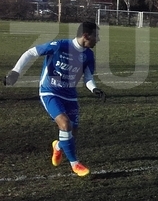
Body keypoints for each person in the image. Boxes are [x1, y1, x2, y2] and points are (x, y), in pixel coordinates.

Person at [3, 21, 106, 176]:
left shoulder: (88, 55)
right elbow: (31, 52)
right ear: (85, 36)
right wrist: (15, 72)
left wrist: (94, 89)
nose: (98, 40)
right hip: (50, 91)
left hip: (70, 96)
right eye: (96, 36)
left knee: (72, 133)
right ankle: (75, 164)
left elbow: (88, 77)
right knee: (65, 124)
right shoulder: (60, 45)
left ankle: (57, 146)